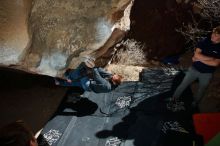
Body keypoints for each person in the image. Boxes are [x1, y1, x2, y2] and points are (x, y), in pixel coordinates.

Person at [172, 26, 220, 107]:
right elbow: (196, 55)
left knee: (201, 89)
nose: (213, 35)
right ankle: (173, 99)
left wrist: (199, 59)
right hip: (194, 69)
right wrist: (211, 58)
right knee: (183, 84)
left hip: (207, 73)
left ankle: (195, 103)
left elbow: (215, 64)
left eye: (216, 35)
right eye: (213, 33)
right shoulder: (204, 41)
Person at [55, 59, 123, 93]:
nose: (112, 75)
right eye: (114, 75)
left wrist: (92, 67)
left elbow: (97, 77)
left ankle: (68, 75)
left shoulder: (107, 86)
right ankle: (59, 83)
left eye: (113, 77)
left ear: (114, 82)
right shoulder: (114, 81)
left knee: (82, 73)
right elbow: (103, 72)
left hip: (88, 85)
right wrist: (96, 67)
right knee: (76, 83)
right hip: (92, 86)